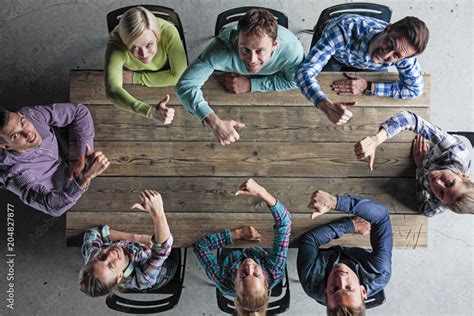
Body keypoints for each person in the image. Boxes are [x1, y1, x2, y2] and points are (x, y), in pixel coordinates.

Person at [175, 9, 305, 145]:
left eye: (260, 50)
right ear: (237, 41)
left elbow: (292, 81)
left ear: (274, 45)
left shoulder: (292, 52)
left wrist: (251, 85)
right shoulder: (220, 50)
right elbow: (185, 85)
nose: (252, 60)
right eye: (245, 49)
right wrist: (213, 122)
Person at [296, 14, 429, 125]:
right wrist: (326, 106)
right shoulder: (343, 30)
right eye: (390, 43)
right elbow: (304, 72)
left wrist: (368, 87)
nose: (386, 55)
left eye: (396, 55)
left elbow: (415, 89)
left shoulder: (404, 52)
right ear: (388, 28)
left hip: (365, 67)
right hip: (336, 55)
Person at [193, 179, 291, 315]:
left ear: (234, 287)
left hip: (228, 234)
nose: (249, 265)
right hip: (262, 237)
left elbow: (200, 246)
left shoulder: (223, 282)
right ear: (266, 282)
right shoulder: (274, 271)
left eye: (243, 275)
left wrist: (237, 234)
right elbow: (285, 223)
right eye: (256, 274)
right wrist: (261, 192)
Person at [355, 110, 473, 216]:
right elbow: (410, 119)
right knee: (436, 135)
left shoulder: (438, 205)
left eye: (441, 194)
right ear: (463, 176)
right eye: (449, 183)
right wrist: (376, 139)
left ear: (442, 203)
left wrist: (421, 167)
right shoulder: (456, 151)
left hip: (427, 160)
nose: (437, 182)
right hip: (458, 142)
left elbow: (424, 209)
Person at [0, 104, 109, 216]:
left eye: (23, 123)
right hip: (61, 187)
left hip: (64, 148)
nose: (28, 133)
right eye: (16, 135)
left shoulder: (31, 115)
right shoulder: (15, 173)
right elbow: (52, 207)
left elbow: (79, 111)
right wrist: (84, 177)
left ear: (21, 115)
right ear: (5, 146)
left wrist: (83, 156)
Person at [298, 190, 392, 315]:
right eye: (349, 288)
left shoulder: (311, 282)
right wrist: (334, 202)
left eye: (334, 289)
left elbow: (310, 240)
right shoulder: (379, 270)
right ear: (363, 291)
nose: (341, 278)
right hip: (360, 245)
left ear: (325, 294)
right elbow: (381, 216)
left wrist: (350, 225)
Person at [79, 190, 175, 297]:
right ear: (119, 277)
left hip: (139, 245)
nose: (110, 255)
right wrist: (158, 212)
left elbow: (93, 232)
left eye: (101, 258)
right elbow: (163, 250)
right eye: (110, 265)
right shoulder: (142, 278)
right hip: (165, 269)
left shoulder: (93, 259)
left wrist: (137, 238)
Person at [105, 6, 187, 124]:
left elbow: (179, 76)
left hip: (159, 68)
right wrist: (149, 111)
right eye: (134, 47)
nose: (144, 54)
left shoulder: (169, 32)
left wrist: (138, 78)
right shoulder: (115, 45)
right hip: (137, 72)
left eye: (149, 44)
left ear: (157, 35)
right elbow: (112, 89)